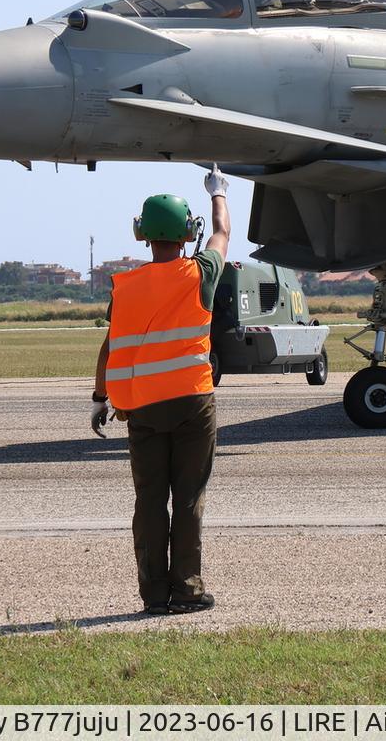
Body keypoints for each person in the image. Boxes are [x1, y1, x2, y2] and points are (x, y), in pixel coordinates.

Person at [90, 167, 231, 616]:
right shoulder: (201, 272)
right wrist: (218, 193)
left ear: (142, 234)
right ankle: (187, 590)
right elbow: (223, 232)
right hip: (192, 401)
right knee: (187, 497)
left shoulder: (125, 287)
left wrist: (99, 397)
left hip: (142, 408)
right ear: (188, 232)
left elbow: (110, 346)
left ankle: (153, 595)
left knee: (149, 501)